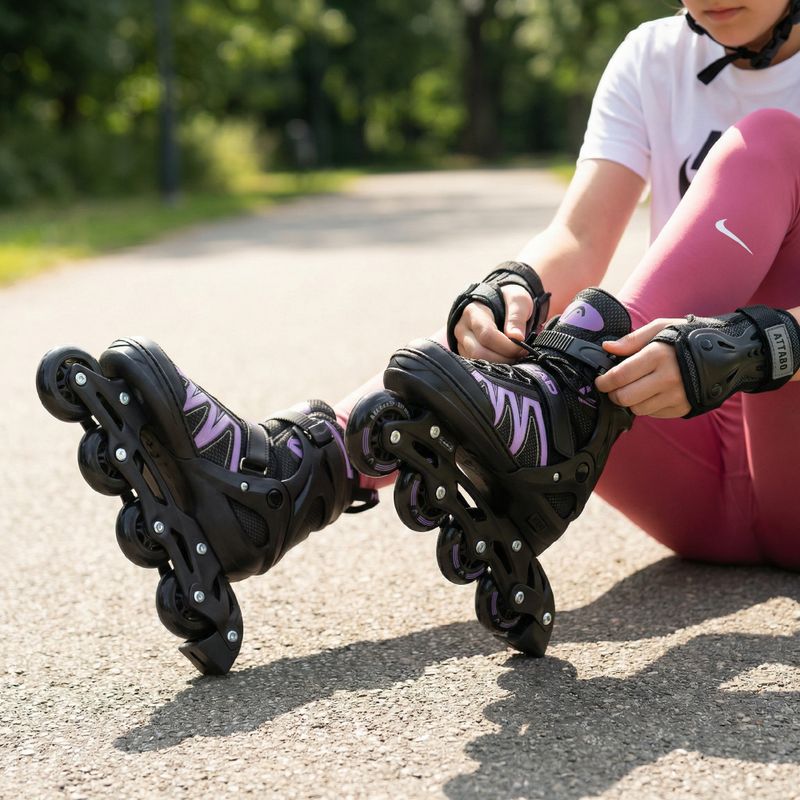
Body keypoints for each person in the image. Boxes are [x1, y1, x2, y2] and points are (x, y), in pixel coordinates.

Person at [36, 1, 800, 673]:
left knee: (771, 142)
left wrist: (755, 348)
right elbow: (578, 235)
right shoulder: (653, 57)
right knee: (516, 350)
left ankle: (554, 408)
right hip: (694, 478)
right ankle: (271, 491)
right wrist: (510, 289)